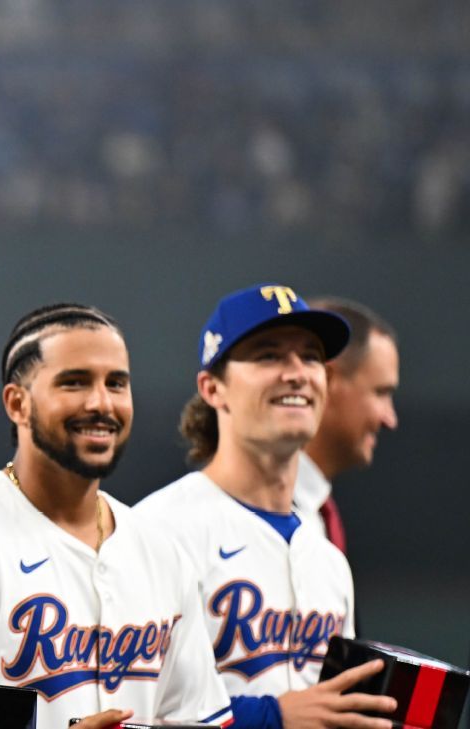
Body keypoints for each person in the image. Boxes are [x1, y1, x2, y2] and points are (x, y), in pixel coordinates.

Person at [0, 304, 234, 728]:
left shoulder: (163, 552)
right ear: (17, 404)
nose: (101, 403)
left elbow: (200, 719)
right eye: (74, 383)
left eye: (116, 383)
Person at [135, 284, 397, 729]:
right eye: (268, 355)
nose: (296, 372)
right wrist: (270, 718)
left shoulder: (328, 560)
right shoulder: (155, 531)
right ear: (213, 388)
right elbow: (129, 707)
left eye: (311, 356)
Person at [295, 298, 399, 553]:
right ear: (326, 381)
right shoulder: (232, 514)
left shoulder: (316, 515)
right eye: (381, 393)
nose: (390, 419)